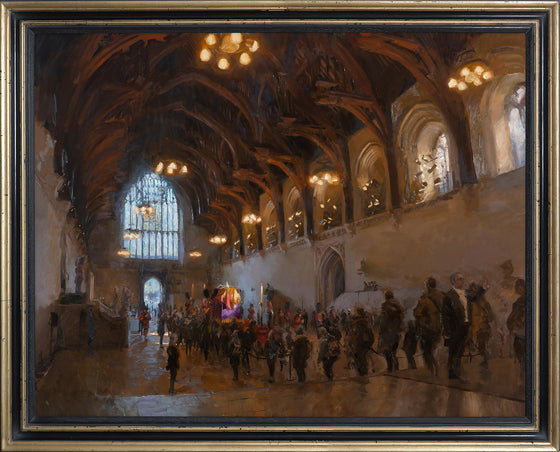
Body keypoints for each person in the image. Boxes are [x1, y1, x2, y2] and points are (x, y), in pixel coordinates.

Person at [442, 272, 470, 380]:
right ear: (453, 281)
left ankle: (456, 372)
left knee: (460, 350)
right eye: (459, 279)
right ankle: (452, 373)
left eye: (462, 279)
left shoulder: (465, 294)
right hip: (454, 328)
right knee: (453, 351)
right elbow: (445, 316)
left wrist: (483, 288)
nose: (462, 281)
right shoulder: (448, 296)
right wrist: (447, 332)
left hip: (465, 326)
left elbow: (475, 296)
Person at [413, 277, 444, 375]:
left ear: (428, 286)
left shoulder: (425, 298)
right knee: (431, 349)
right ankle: (434, 368)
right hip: (439, 328)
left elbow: (417, 312)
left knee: (426, 351)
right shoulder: (442, 296)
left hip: (427, 329)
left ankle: (433, 369)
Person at [467, 279, 495, 369]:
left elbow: (490, 315)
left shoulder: (479, 302)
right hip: (479, 326)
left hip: (480, 327)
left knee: (481, 343)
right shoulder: (478, 302)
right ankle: (484, 358)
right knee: (480, 344)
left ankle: (485, 359)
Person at [378, 290, 404, 372]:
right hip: (396, 333)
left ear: (385, 296)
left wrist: (381, 330)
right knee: (393, 352)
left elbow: (384, 320)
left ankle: (390, 369)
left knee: (386, 352)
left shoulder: (385, 306)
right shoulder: (398, 306)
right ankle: (396, 368)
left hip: (387, 334)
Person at [507, 278, 526, 375]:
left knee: (520, 349)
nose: (516, 290)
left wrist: (514, 327)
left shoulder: (522, 300)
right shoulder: (522, 299)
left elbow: (516, 316)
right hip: (521, 330)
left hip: (522, 331)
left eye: (517, 288)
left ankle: (524, 369)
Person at [351, 307, 375, 376]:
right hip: (366, 343)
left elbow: (355, 334)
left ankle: (362, 373)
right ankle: (363, 371)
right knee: (363, 357)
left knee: (359, 358)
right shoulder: (366, 322)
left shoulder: (357, 322)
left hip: (359, 343)